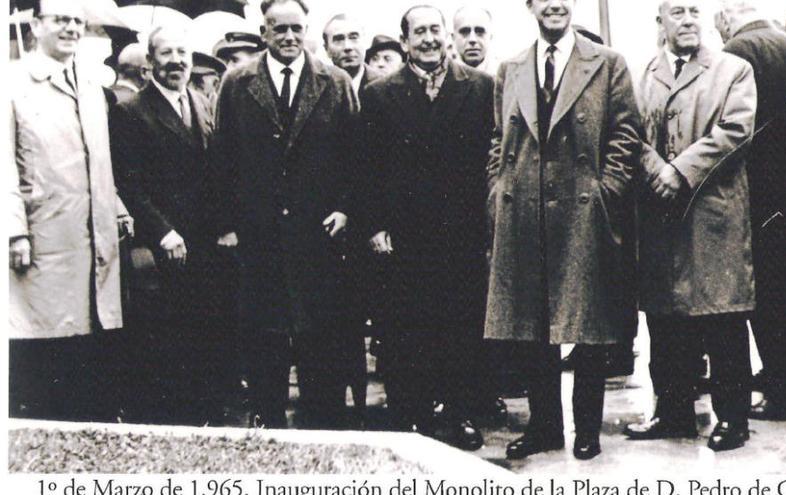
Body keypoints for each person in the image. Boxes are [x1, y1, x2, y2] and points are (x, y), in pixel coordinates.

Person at [485, 0, 642, 461]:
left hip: (582, 209)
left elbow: (626, 132)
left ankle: (587, 429)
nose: (555, 3)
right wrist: (499, 188)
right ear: (529, 6)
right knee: (533, 326)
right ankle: (545, 427)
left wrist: (604, 191)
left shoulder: (608, 63)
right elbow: (499, 136)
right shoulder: (511, 67)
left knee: (587, 324)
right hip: (525, 211)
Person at [210, 0, 359, 429]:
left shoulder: (335, 81)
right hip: (260, 234)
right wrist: (228, 226)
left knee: (320, 333)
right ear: (264, 31)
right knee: (264, 333)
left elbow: (356, 156)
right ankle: (268, 418)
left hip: (319, 234)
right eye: (280, 29)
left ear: (306, 29)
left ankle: (321, 423)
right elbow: (223, 158)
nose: (290, 37)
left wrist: (346, 208)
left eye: (297, 28)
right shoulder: (237, 83)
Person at [623, 0, 757, 452]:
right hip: (661, 218)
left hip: (712, 216)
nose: (687, 19)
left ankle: (732, 419)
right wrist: (655, 167)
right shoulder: (644, 75)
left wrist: (678, 171)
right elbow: (630, 133)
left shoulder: (733, 70)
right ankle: (673, 412)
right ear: (658, 21)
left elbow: (736, 130)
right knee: (665, 320)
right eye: (676, 11)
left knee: (722, 316)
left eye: (693, 10)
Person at [361, 4, 496, 451]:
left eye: (435, 30)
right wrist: (376, 224)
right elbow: (369, 166)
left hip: (462, 230)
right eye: (419, 32)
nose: (429, 39)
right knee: (406, 326)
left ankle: (459, 414)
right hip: (406, 233)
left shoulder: (480, 87)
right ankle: (411, 416)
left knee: (460, 325)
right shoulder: (381, 94)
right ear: (405, 42)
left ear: (447, 36)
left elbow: (492, 159)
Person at [8, 0, 128, 422]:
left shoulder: (92, 84)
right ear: (37, 25)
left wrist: (117, 206)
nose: (71, 28)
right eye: (61, 20)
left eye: (78, 21)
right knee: (45, 335)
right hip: (44, 233)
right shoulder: (13, 83)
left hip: (92, 233)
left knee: (90, 333)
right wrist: (14, 231)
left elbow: (100, 161)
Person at [109, 26, 221, 426]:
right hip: (165, 245)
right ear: (149, 63)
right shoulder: (131, 111)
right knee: (168, 338)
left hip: (207, 241)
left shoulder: (204, 101)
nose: (177, 60)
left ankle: (207, 419)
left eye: (183, 52)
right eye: (167, 54)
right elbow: (129, 182)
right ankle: (173, 420)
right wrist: (162, 231)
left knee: (207, 331)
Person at [714, 0, 786, 423]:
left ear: (725, 20)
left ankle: (783, 393)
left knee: (768, 294)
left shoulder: (735, 52)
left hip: (758, 190)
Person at [323, 13, 382, 100]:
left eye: (354, 38)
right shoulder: (319, 87)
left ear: (365, 42)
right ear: (326, 49)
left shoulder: (383, 86)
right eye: (338, 39)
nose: (347, 47)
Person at [452, 6, 494, 73]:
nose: (472, 39)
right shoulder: (442, 77)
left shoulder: (504, 77)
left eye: (480, 32)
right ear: (453, 38)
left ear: (490, 37)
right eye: (465, 32)